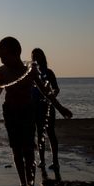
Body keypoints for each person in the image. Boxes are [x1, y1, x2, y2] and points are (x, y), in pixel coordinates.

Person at [0, 37, 71, 186]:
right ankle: (23, 185)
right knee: (16, 151)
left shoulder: (30, 71)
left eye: (4, 56)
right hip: (10, 113)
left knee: (28, 152)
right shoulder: (2, 70)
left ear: (16, 53)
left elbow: (45, 90)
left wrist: (60, 108)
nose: (1, 60)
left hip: (26, 112)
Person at [31, 48, 63, 179]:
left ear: (43, 58)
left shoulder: (49, 72)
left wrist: (51, 95)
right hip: (34, 107)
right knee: (39, 134)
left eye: (37, 56)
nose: (35, 59)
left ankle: (55, 160)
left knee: (50, 133)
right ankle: (42, 160)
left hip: (47, 105)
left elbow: (56, 88)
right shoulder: (31, 73)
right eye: (33, 57)